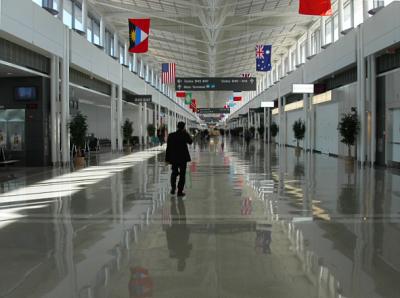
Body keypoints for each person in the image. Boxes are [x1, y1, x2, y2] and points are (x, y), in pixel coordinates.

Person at [165, 122, 193, 196]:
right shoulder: (185, 134)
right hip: (183, 158)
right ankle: (180, 191)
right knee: (182, 174)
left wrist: (167, 159)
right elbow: (190, 142)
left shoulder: (171, 135)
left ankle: (173, 188)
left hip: (174, 157)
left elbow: (168, 148)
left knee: (174, 172)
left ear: (177, 127)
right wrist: (186, 133)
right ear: (184, 127)